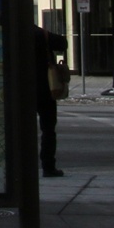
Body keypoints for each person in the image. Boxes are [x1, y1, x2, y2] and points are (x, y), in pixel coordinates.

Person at [34, 25, 68, 177]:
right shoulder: (41, 34)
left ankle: (21, 165)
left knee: (20, 129)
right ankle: (48, 166)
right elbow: (63, 43)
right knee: (48, 129)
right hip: (45, 88)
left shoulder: (11, 33)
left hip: (21, 89)